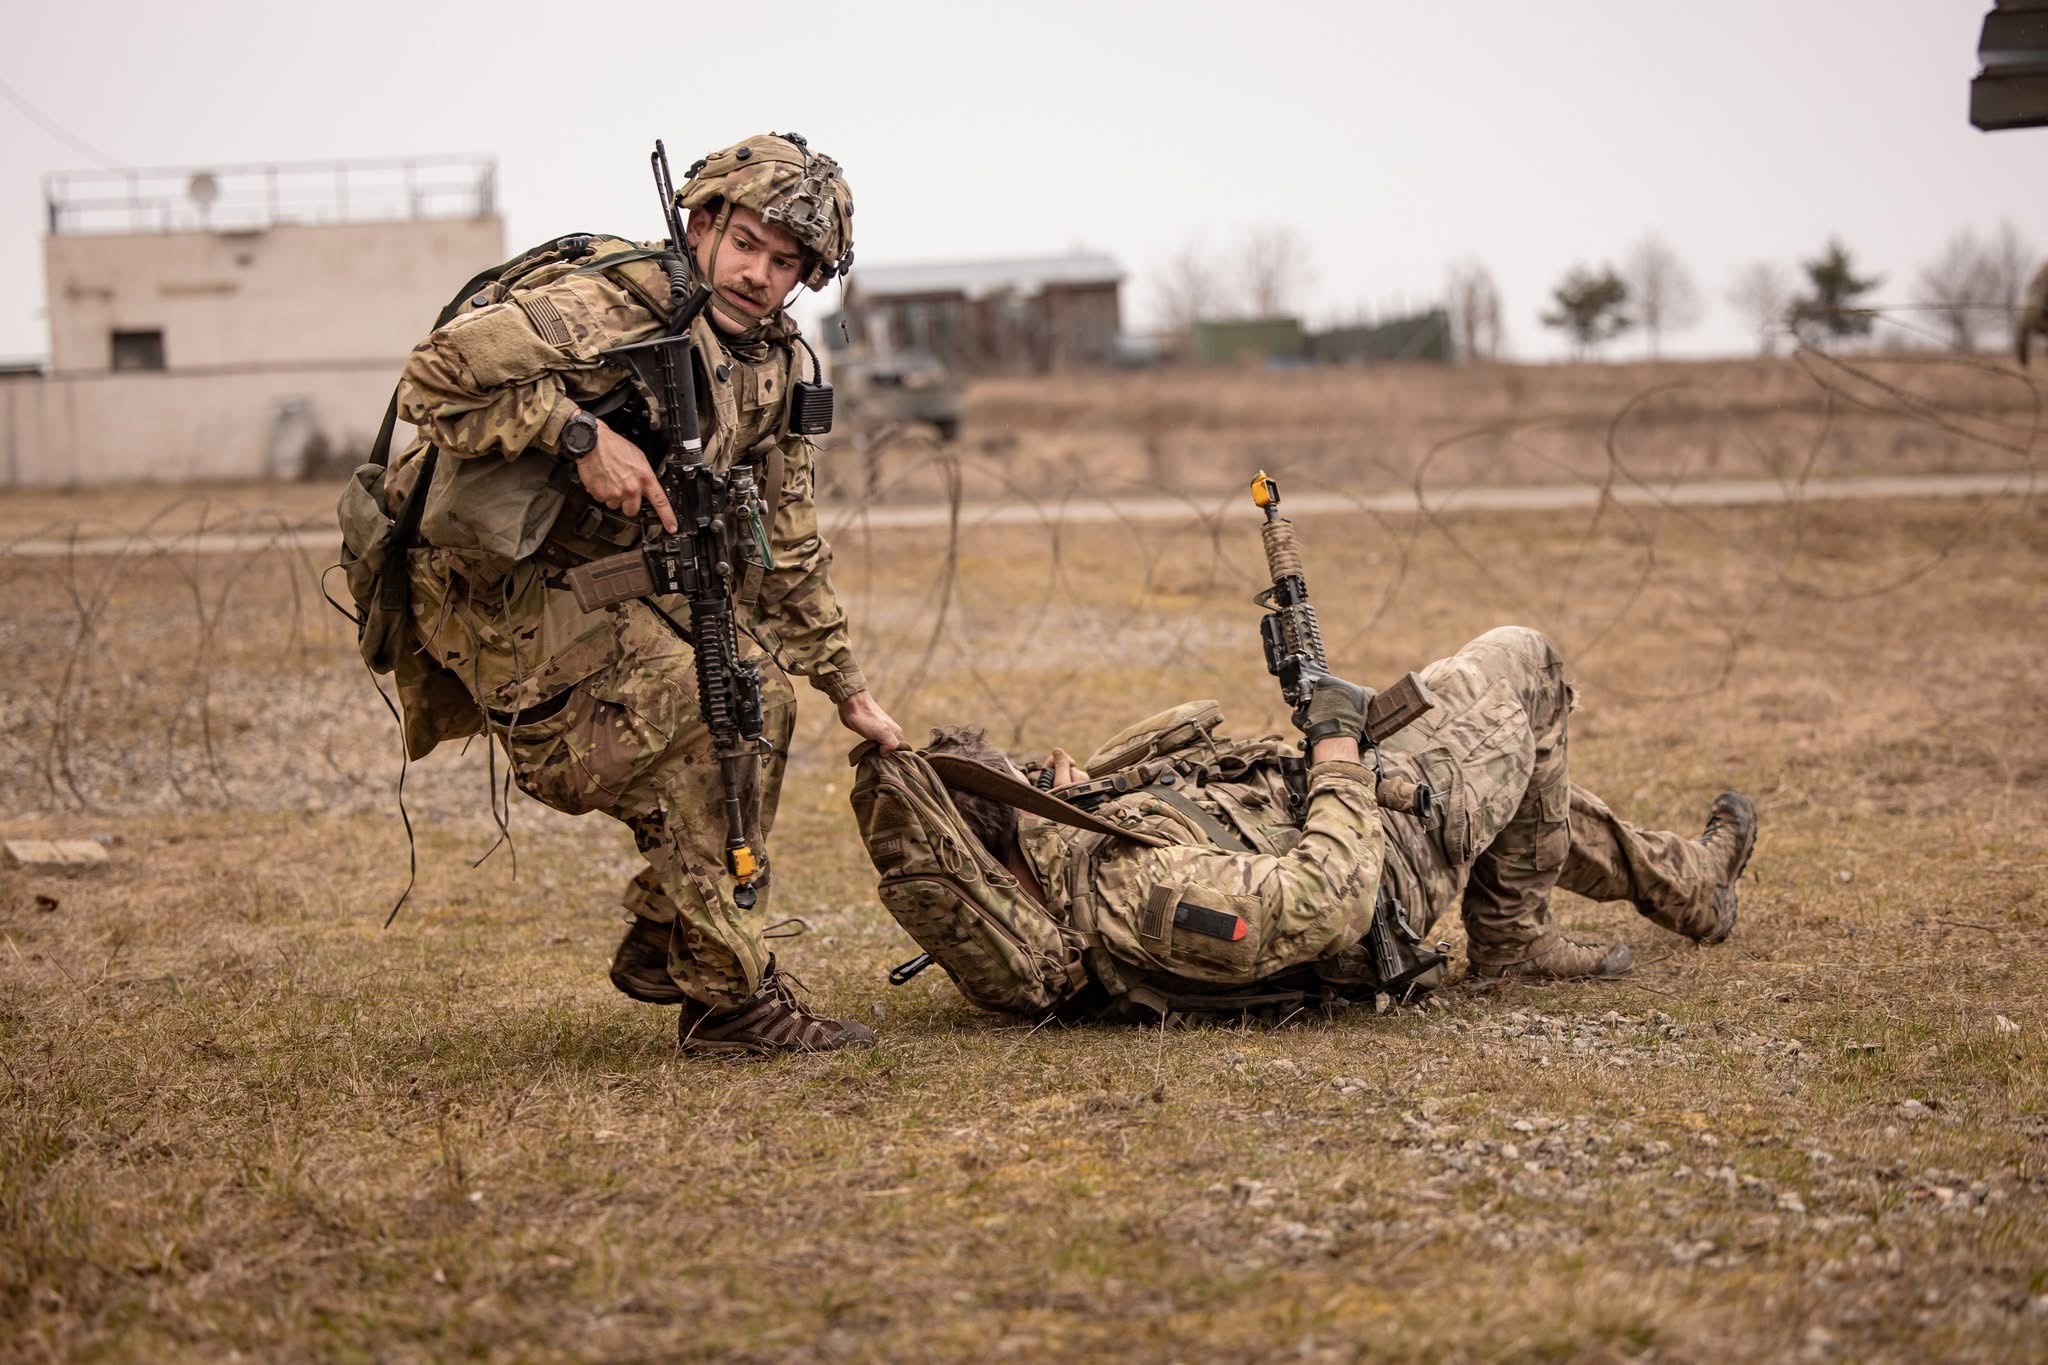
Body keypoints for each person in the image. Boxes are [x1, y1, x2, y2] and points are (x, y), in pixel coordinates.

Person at [387, 132, 902, 1054]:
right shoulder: (610, 311)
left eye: (786, 262)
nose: (758, 273)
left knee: (757, 699)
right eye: (746, 243)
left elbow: (784, 540)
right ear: (701, 224)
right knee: (705, 713)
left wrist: (847, 686)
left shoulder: (776, 363)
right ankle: (730, 1002)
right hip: (499, 587)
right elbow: (434, 376)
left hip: (602, 582)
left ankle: (671, 944)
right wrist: (580, 437)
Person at [874, 627, 1755, 1018]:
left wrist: (1082, 798)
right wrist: (1337, 750)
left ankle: (1688, 883)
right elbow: (1327, 900)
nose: (1047, 775)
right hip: (1385, 876)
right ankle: (1517, 938)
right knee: (1525, 664)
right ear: (1008, 828)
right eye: (1028, 779)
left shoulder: (1072, 856)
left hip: (1340, 809)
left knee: (1511, 772)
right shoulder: (1130, 886)